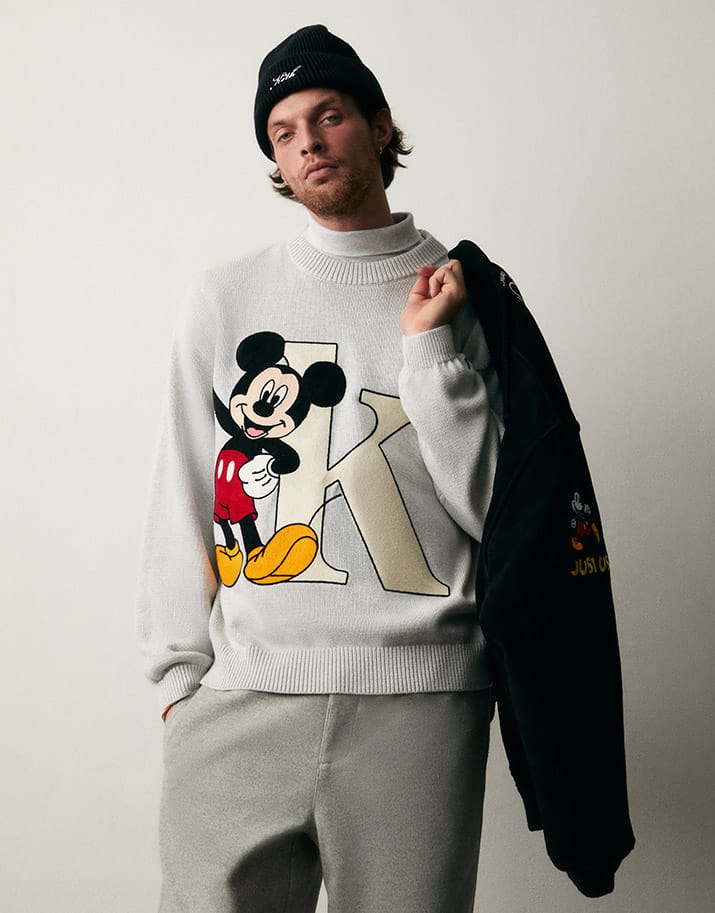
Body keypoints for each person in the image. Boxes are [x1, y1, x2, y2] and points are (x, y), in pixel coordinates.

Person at [136, 24, 505, 913]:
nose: (307, 142)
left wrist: (431, 355)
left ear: (380, 126)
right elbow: (183, 486)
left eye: (329, 115)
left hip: (422, 704)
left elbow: (499, 509)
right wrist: (180, 681)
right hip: (244, 699)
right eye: (283, 131)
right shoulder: (225, 296)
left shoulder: (467, 293)